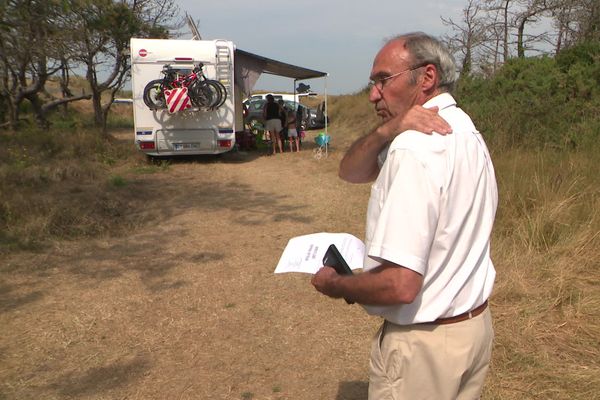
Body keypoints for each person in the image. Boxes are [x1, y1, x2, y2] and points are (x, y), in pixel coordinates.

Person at [311, 32, 498, 400]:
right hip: (473, 331)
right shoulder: (466, 128)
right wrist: (389, 129)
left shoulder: (413, 148)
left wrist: (336, 285)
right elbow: (350, 171)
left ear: (426, 78)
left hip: (423, 347)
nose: (373, 94)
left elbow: (400, 285)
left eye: (383, 80)